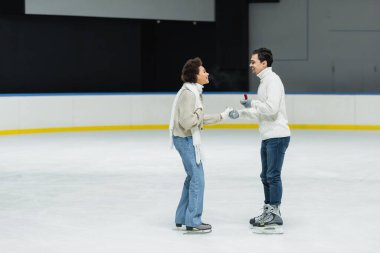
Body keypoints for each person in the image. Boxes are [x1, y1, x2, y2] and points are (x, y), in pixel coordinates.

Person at [229, 48, 290, 233]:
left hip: (277, 135)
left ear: (264, 63)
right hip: (268, 135)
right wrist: (241, 113)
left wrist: (253, 103)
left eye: (254, 61)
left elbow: (270, 109)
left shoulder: (273, 81)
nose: (251, 65)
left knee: (272, 176)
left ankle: (275, 212)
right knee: (265, 176)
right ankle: (268, 210)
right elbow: (260, 111)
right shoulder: (264, 82)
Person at [169, 57, 232, 233]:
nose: (207, 73)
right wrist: (199, 113)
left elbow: (198, 120)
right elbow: (188, 121)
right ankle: (193, 221)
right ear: (195, 75)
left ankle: (182, 217)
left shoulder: (193, 91)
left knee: (192, 179)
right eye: (203, 71)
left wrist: (221, 116)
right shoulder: (190, 94)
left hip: (186, 138)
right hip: (185, 139)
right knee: (198, 179)